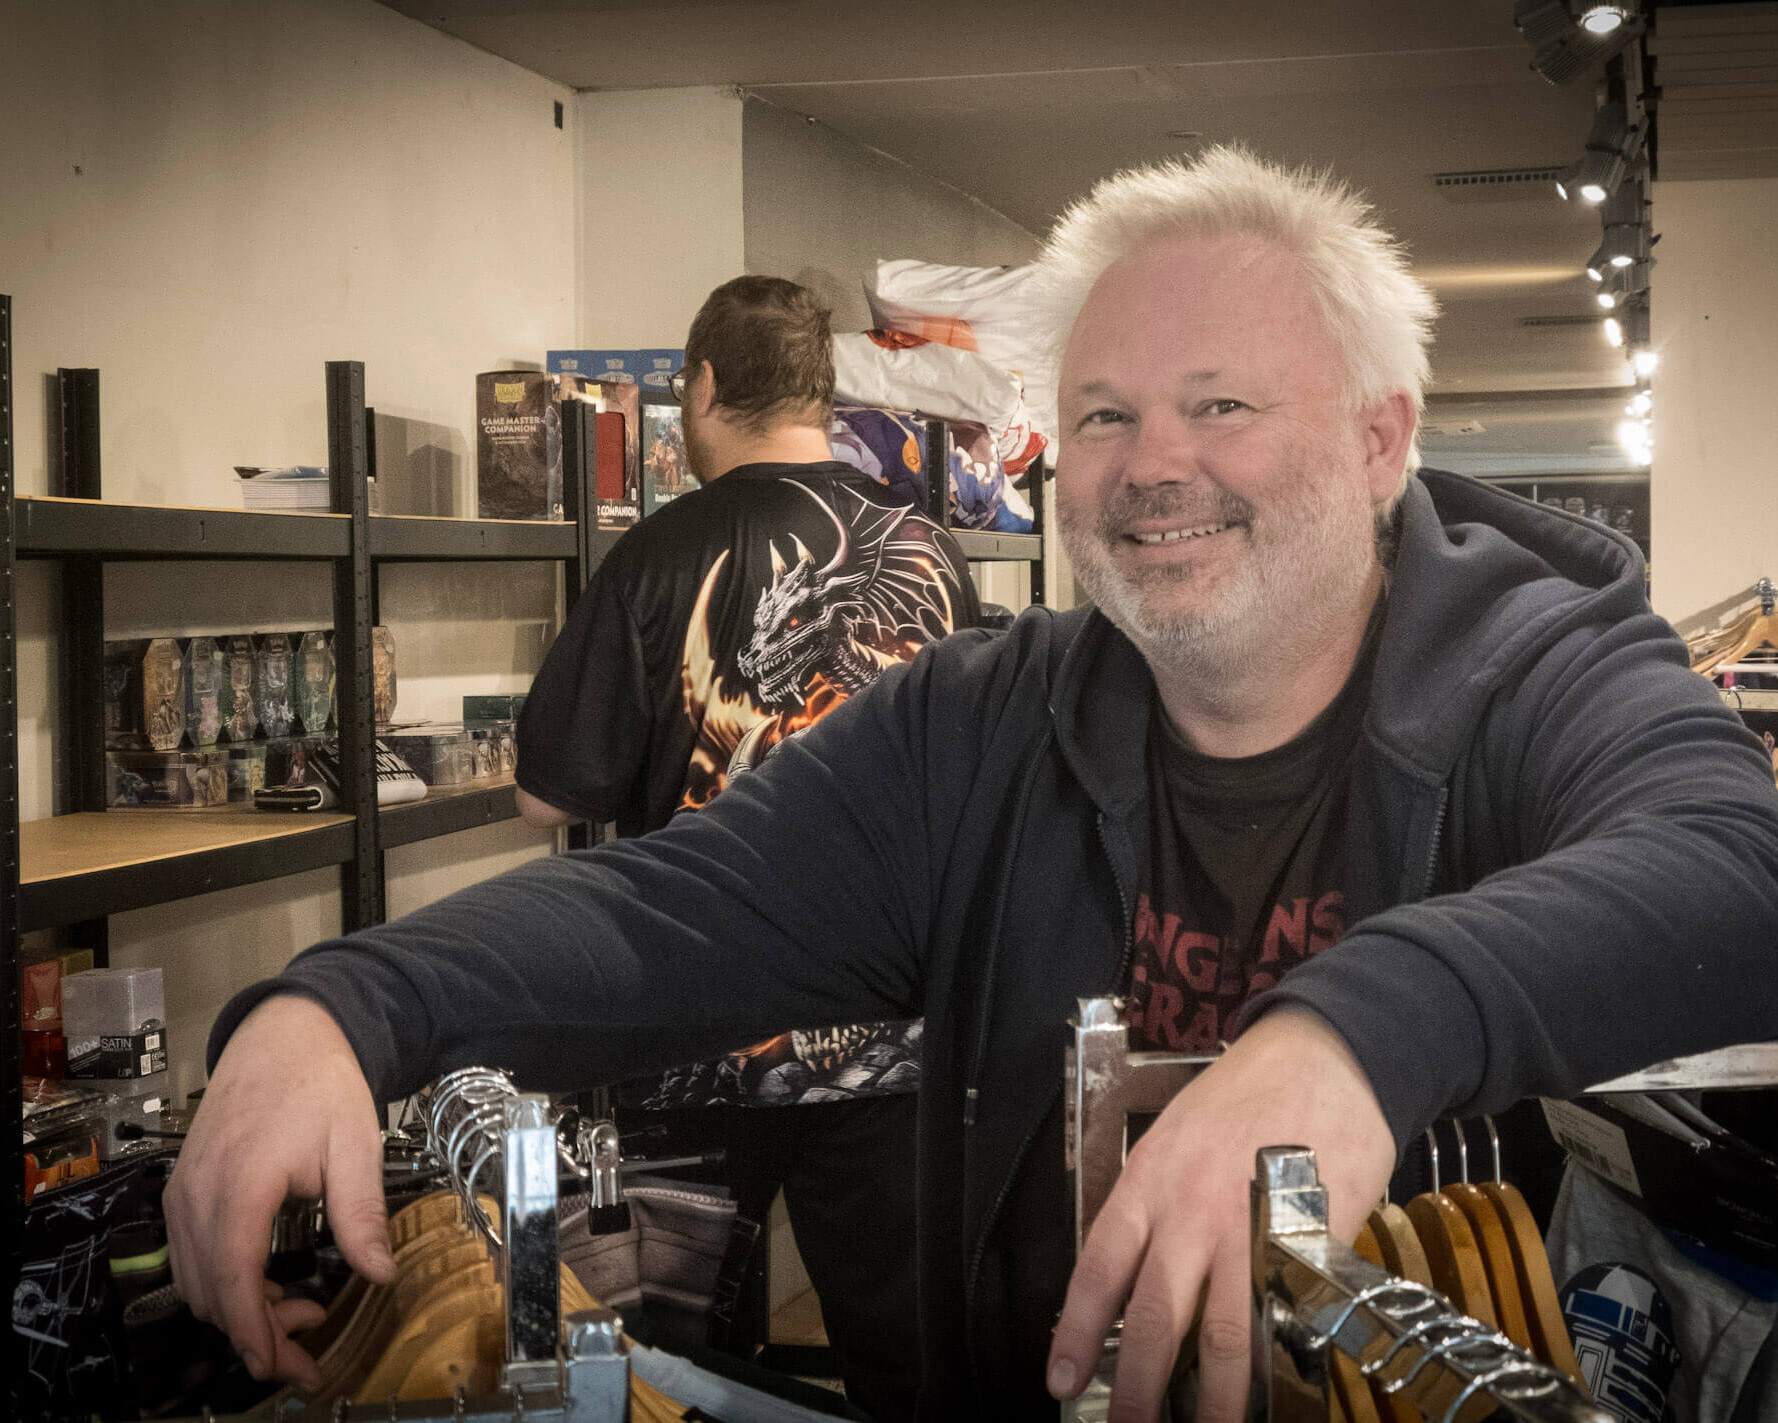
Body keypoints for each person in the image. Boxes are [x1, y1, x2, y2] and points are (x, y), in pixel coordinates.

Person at [166, 147, 1778, 1422]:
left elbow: (1734, 863)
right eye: (1102, 413)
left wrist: (1349, 1038)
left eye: (1220, 402)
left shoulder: (1531, 664)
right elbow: (677, 904)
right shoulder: (981, 726)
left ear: (1377, 439)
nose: (1154, 462)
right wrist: (339, 1004)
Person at [511, 274, 980, 1419]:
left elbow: (542, 795)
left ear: (704, 386)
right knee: (910, 1359)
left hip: (692, 1027)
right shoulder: (930, 549)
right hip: (894, 1031)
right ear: (823, 393)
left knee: (676, 1366)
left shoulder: (658, 552)